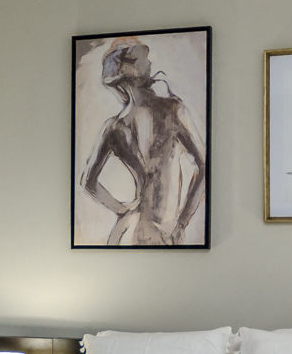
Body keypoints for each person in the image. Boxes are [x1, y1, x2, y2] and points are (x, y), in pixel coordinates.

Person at [80, 37, 206, 245]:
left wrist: (122, 211)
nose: (150, 64)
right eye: (143, 59)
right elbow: (203, 166)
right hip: (163, 228)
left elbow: (88, 181)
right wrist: (182, 223)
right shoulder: (174, 110)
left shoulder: (114, 126)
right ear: (130, 69)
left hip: (131, 228)